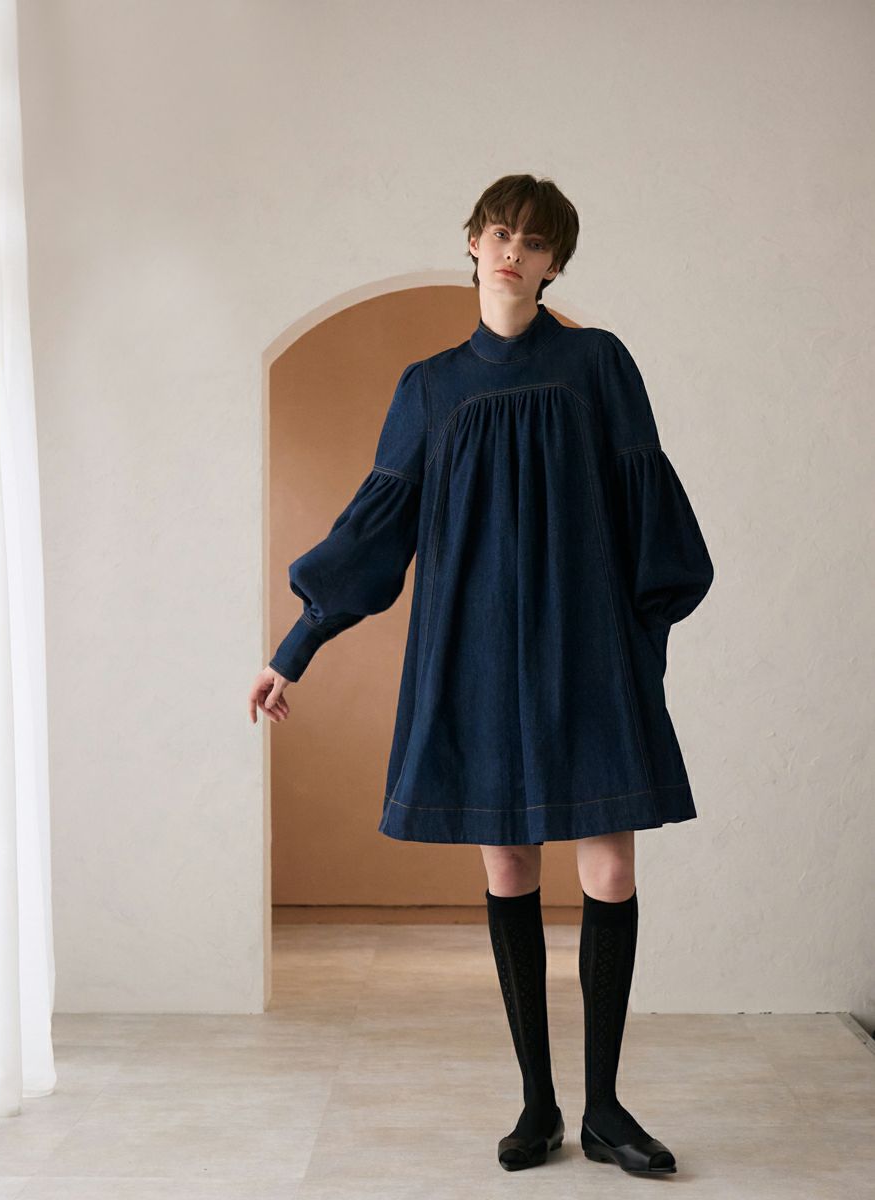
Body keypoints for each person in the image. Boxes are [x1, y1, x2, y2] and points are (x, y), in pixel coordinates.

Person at [248, 174, 714, 1175]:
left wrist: (642, 649)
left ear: (554, 264)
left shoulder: (597, 362)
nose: (513, 251)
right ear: (472, 242)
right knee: (509, 868)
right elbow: (377, 533)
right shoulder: (428, 387)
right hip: (475, 655)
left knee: (611, 870)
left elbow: (646, 506)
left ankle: (606, 1109)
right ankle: (538, 1104)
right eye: (500, 233)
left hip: (588, 651)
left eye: (535, 242)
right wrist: (295, 649)